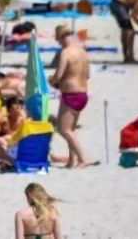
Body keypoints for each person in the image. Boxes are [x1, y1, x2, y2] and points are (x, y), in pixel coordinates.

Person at [48, 24, 90, 168]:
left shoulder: (65, 53)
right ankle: (72, 160)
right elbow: (87, 75)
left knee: (63, 129)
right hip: (83, 94)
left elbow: (58, 75)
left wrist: (51, 81)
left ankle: (83, 159)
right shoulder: (83, 52)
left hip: (71, 94)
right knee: (71, 129)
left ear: (60, 37)